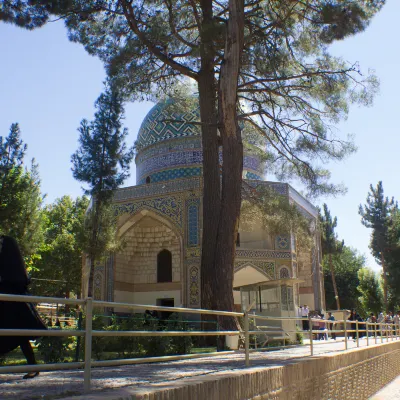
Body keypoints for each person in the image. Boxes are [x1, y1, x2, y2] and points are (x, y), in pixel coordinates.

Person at [0, 235, 47, 379]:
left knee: (20, 336)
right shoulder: (11, 266)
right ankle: (33, 366)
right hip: (10, 309)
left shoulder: (11, 268)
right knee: (19, 337)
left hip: (13, 309)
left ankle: (33, 367)